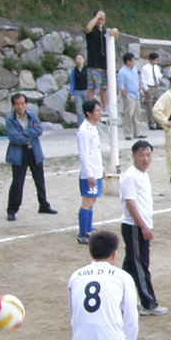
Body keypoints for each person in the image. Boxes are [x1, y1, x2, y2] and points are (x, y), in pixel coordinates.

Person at [120, 140, 165, 315]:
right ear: (133, 156)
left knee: (130, 267)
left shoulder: (142, 174)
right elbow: (130, 203)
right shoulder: (130, 176)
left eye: (148, 155)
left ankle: (120, 300)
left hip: (140, 226)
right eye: (141, 155)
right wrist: (144, 226)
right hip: (134, 227)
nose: (145, 159)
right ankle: (148, 303)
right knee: (140, 265)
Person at [5, 92, 57, 222]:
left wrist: (24, 134)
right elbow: (14, 137)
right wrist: (28, 136)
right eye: (17, 104)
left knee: (39, 180)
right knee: (17, 182)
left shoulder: (32, 116)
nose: (20, 106)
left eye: (22, 103)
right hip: (19, 153)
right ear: (13, 105)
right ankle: (12, 209)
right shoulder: (10, 120)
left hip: (34, 152)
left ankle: (44, 204)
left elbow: (38, 130)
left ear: (26, 104)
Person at [76, 98, 104, 244]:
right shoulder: (84, 130)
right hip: (89, 174)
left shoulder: (93, 127)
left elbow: (96, 153)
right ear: (89, 113)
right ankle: (83, 232)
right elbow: (84, 154)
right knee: (87, 201)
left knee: (92, 200)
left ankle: (88, 227)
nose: (100, 113)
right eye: (97, 111)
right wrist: (89, 174)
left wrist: (101, 170)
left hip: (96, 171)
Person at [84, 10, 113, 106]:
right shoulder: (92, 30)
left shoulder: (105, 31)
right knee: (91, 88)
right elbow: (87, 29)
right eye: (99, 19)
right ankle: (91, 107)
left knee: (104, 88)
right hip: (93, 64)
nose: (100, 21)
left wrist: (115, 31)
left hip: (104, 65)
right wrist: (96, 17)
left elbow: (114, 34)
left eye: (102, 19)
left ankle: (105, 108)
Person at [116, 52, 141, 141]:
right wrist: (124, 94)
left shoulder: (134, 69)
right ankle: (128, 133)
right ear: (128, 61)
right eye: (133, 60)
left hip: (136, 94)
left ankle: (137, 133)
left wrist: (139, 90)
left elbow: (137, 80)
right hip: (129, 94)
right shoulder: (122, 72)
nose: (134, 62)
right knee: (128, 114)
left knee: (137, 114)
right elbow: (121, 85)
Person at [140, 51, 164, 130]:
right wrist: (146, 89)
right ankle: (151, 123)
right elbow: (143, 79)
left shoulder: (156, 67)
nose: (155, 62)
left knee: (157, 105)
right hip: (149, 87)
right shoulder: (145, 68)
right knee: (150, 106)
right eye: (154, 60)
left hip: (156, 86)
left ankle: (158, 122)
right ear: (150, 60)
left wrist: (162, 76)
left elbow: (158, 75)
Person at [69, 53, 90, 126]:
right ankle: (81, 126)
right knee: (79, 111)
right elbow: (72, 82)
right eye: (77, 58)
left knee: (88, 109)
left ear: (83, 60)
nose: (79, 60)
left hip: (86, 91)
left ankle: (89, 125)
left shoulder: (87, 69)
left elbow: (90, 81)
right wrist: (72, 94)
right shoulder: (73, 71)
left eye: (80, 58)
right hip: (77, 92)